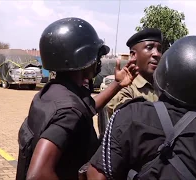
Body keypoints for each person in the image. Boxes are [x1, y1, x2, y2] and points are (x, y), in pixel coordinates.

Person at [86, 36, 196, 180]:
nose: (156, 54)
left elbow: (96, 174)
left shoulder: (130, 116)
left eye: (159, 49)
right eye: (149, 48)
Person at [16, 17, 139, 180]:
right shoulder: (69, 110)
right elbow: (37, 175)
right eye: (96, 56)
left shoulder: (52, 92)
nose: (97, 61)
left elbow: (86, 109)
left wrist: (117, 84)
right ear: (81, 57)